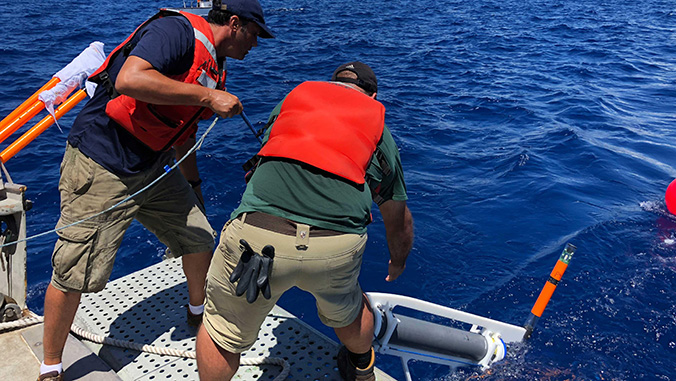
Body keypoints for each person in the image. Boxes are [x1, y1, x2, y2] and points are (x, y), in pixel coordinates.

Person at [37, 1, 274, 380]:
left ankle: (198, 316)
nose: (256, 44)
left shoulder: (214, 65)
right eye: (255, 34)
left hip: (152, 167)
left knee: (198, 236)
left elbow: (184, 134)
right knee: (74, 270)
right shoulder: (176, 33)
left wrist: (193, 185)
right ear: (234, 23)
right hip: (103, 164)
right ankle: (51, 366)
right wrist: (208, 98)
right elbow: (131, 78)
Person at [195, 62, 414, 381]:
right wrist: (398, 261)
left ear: (331, 84)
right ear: (373, 96)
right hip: (334, 249)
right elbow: (397, 217)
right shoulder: (380, 131)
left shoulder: (293, 99)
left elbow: (268, 147)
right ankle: (363, 370)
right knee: (351, 311)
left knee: (221, 333)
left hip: (257, 238)